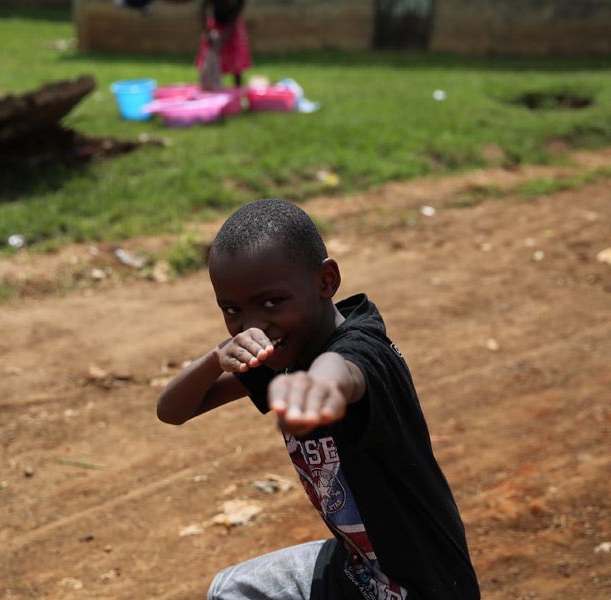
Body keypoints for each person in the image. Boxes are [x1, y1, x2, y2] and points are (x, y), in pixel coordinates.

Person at [157, 198, 480, 600]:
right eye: (232, 309)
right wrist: (216, 358)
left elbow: (343, 372)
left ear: (326, 281)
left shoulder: (365, 350)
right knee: (233, 590)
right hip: (358, 571)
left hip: (424, 586)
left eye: (272, 302)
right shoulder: (282, 349)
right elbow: (172, 410)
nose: (252, 325)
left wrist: (317, 389)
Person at [195, 0, 251, 89]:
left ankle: (238, 91)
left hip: (232, 29)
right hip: (215, 26)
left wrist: (223, 40)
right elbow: (202, 9)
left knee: (235, 61)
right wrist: (208, 32)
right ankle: (210, 87)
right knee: (211, 57)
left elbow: (232, 21)